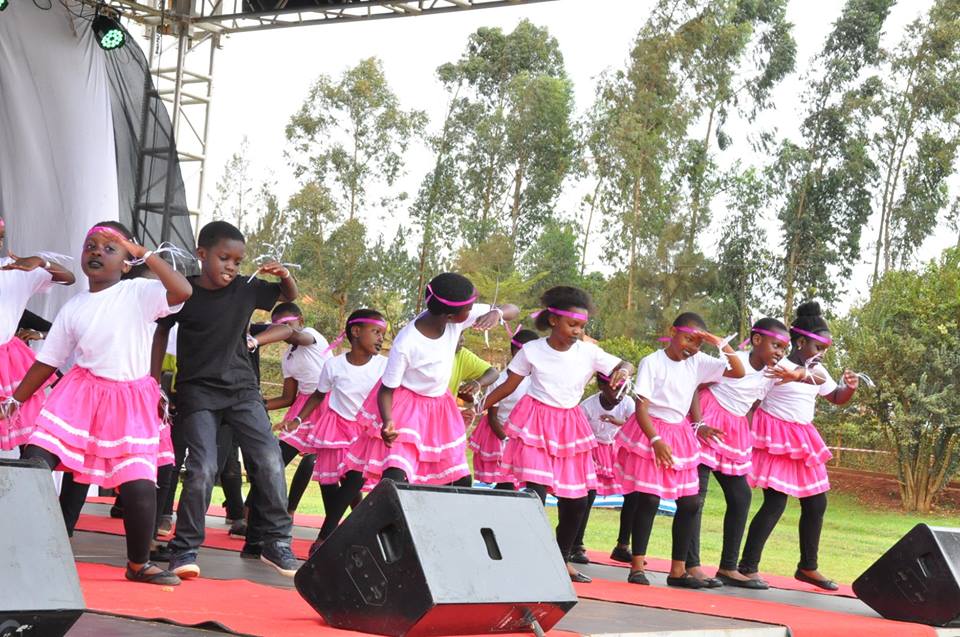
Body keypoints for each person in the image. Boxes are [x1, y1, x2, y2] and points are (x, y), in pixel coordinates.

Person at [3, 221, 191, 585]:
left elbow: (182, 291)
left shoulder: (139, 292)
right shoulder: (74, 307)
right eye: (91, 245)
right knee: (36, 462)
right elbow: (48, 360)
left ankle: (138, 564)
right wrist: (14, 399)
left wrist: (145, 254)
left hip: (131, 402)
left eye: (110, 248)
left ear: (126, 262)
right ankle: (23, 547)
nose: (97, 252)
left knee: (138, 487)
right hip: (81, 395)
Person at [152, 220, 299, 579]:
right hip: (198, 392)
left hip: (242, 391)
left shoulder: (247, 289)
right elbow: (159, 332)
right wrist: (153, 383)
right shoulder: (185, 293)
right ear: (202, 255)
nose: (232, 266)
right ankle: (185, 548)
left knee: (268, 459)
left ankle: (276, 541)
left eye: (237, 260)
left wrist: (283, 276)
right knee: (202, 468)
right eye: (224, 258)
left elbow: (289, 297)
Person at [481, 286, 634, 583]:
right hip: (536, 422)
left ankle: (561, 559)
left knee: (577, 501)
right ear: (553, 321)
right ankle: (523, 559)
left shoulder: (589, 352)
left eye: (582, 326)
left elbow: (623, 364)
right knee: (533, 496)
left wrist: (624, 371)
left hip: (569, 426)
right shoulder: (532, 350)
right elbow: (509, 385)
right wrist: (479, 406)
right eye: (572, 324)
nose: (578, 331)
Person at [339, 272, 518, 497]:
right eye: (469, 309)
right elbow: (387, 389)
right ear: (450, 315)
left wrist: (497, 312)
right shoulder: (407, 342)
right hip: (405, 408)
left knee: (459, 479)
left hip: (439, 409)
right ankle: (377, 525)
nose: (473, 312)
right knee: (396, 475)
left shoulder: (453, 320)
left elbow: (514, 309)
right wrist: (387, 422)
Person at [616, 312, 745, 588]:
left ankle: (678, 571)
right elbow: (641, 407)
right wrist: (655, 440)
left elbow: (738, 370)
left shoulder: (698, 362)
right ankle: (637, 566)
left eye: (698, 343)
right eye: (688, 339)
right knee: (649, 499)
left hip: (681, 432)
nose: (692, 347)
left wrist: (717, 342)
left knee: (690, 502)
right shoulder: (652, 361)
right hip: (652, 429)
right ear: (672, 332)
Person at [738, 302, 858, 591]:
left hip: (804, 440)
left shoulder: (817, 370)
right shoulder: (778, 365)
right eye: (817, 347)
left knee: (817, 502)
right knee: (776, 502)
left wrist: (850, 388)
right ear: (800, 341)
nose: (821, 353)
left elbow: (835, 396)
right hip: (776, 437)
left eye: (825, 349)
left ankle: (807, 567)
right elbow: (753, 402)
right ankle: (747, 566)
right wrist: (748, 437)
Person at [684, 317, 804, 589]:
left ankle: (728, 567)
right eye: (775, 345)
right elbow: (695, 385)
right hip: (709, 420)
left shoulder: (775, 372)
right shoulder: (734, 360)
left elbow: (816, 377)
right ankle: (691, 565)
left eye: (784, 348)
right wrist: (699, 422)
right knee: (696, 497)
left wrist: (796, 374)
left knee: (741, 496)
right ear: (757, 340)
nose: (780, 352)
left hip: (735, 429)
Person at [279, 309, 388, 549]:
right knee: (329, 485)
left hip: (365, 434)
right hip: (335, 429)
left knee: (352, 483)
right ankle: (354, 532)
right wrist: (298, 419)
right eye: (376, 332)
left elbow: (390, 396)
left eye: (383, 334)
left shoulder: (384, 366)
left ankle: (324, 537)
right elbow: (319, 395)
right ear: (356, 332)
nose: (381, 338)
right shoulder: (334, 365)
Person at [0, 216, 76, 449]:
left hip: (7, 361)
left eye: (0, 238)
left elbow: (69, 279)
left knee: (27, 428)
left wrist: (43, 262)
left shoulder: (13, 269)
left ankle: (26, 482)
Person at [261, 302, 331, 515]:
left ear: (300, 321)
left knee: (324, 464)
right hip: (303, 406)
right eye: (277, 326)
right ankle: (254, 510)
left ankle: (292, 510)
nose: (282, 330)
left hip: (328, 403)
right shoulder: (287, 357)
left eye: (287, 324)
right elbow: (287, 397)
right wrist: (257, 405)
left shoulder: (311, 336)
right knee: (278, 457)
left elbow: (299, 337)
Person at [569, 370, 636, 565]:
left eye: (623, 391)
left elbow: (636, 423)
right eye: (615, 390)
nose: (620, 396)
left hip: (615, 449)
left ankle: (623, 546)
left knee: (634, 493)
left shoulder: (627, 403)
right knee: (587, 495)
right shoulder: (587, 407)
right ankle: (576, 545)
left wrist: (618, 422)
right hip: (589, 449)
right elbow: (576, 433)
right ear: (602, 387)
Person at [468, 328, 539, 488]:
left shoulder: (537, 380)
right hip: (502, 435)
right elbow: (492, 417)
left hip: (527, 437)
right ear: (516, 352)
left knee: (531, 483)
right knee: (507, 484)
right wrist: (507, 441)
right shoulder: (499, 380)